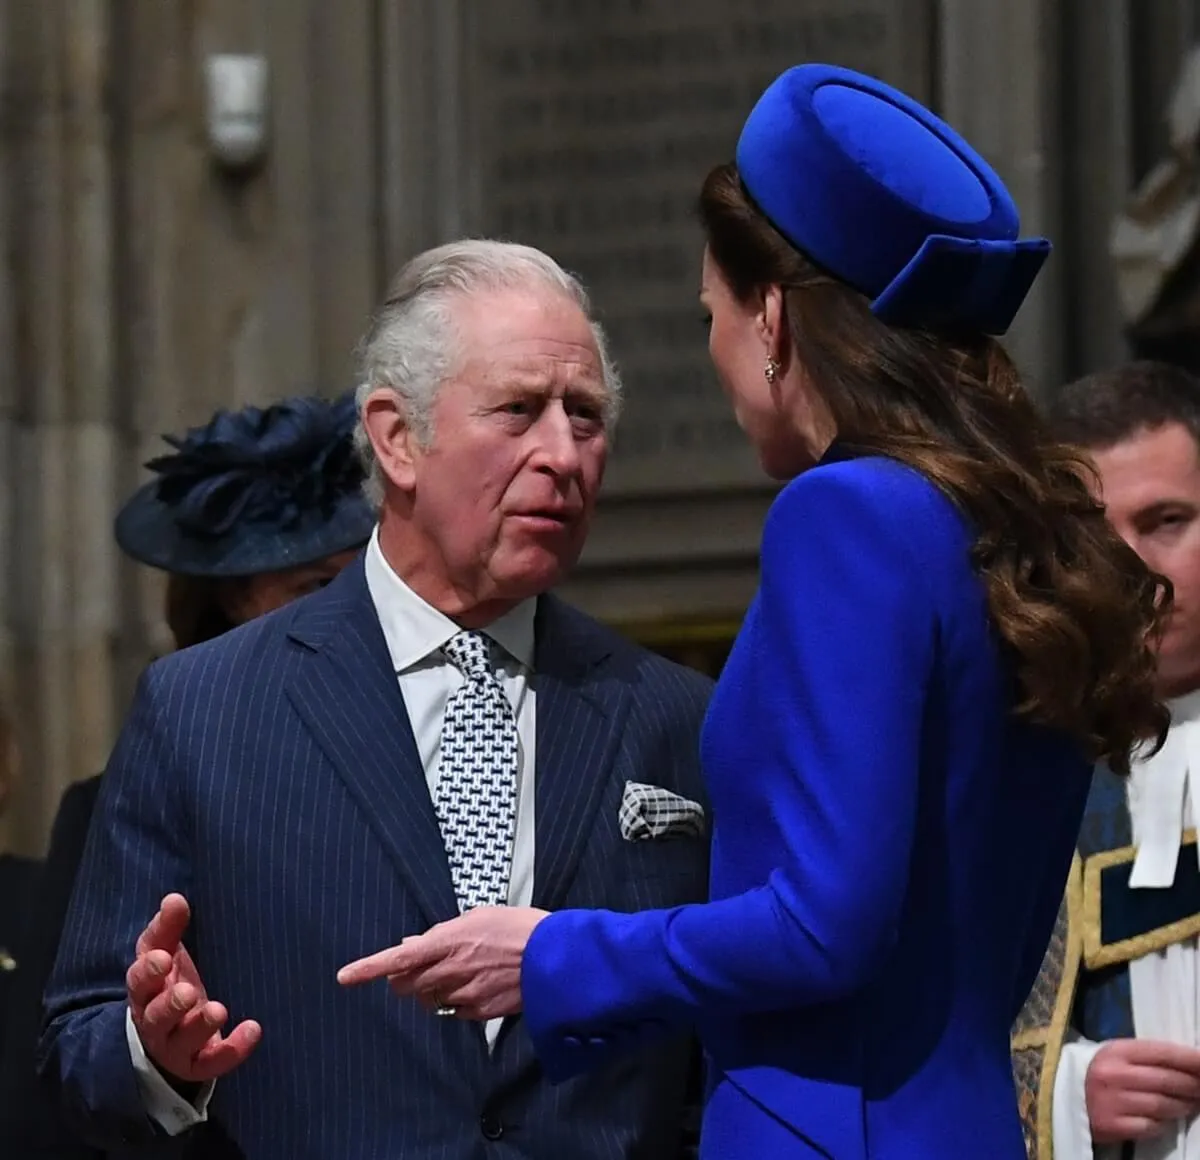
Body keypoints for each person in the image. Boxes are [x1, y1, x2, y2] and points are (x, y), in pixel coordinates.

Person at [337, 64, 1170, 1159]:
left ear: (772, 316)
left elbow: (825, 922)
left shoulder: (848, 512)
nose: (717, 351)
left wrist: (549, 953)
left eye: (712, 315)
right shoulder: (997, 522)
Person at [36, 240, 713, 1159]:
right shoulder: (204, 710)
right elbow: (77, 1052)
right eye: (518, 410)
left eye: (586, 416)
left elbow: (723, 1047)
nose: (563, 453)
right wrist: (159, 1053)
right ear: (397, 437)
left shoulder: (671, 715)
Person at [0, 390, 373, 1157]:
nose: (341, 614)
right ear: (236, 601)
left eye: (359, 583)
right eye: (309, 588)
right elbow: (58, 1078)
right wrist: (152, 1049)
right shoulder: (124, 799)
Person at [1018, 360, 1200, 1160]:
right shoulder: (1009, 779)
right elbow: (919, 1038)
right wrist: (1065, 1091)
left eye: (1166, 520)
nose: (1128, 568)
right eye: (1095, 534)